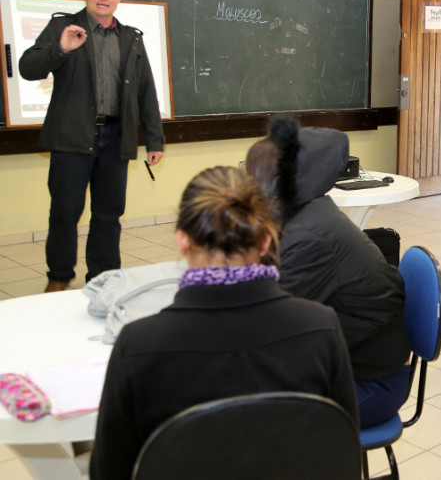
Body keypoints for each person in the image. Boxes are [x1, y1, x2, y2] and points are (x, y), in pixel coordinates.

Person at [90, 167, 357, 480]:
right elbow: (343, 449)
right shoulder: (321, 329)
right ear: (265, 242)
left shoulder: (137, 346)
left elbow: (109, 472)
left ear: (182, 241)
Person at [245, 117, 411, 429]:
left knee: (245, 415)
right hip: (348, 359)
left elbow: (266, 322)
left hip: (370, 382)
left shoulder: (310, 236)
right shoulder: (309, 210)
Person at [19, 0, 165, 292]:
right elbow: (27, 68)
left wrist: (154, 139)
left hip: (116, 139)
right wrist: (62, 49)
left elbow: (146, 92)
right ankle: (58, 278)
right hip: (72, 137)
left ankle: (104, 279)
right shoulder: (63, 27)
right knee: (65, 213)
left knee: (109, 215)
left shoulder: (131, 38)